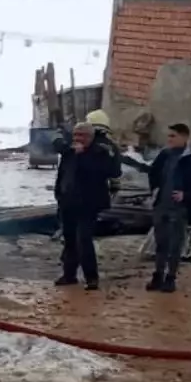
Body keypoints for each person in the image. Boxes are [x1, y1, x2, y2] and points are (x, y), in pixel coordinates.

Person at [147, 122, 191, 293]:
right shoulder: (165, 155)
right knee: (160, 243)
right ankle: (157, 276)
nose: (169, 139)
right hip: (161, 206)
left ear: (184, 137)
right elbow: (153, 173)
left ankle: (170, 278)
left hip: (179, 209)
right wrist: (154, 189)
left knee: (175, 245)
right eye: (169, 136)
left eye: (173, 136)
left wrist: (187, 195)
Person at [54, 120, 120, 290]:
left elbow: (113, 170)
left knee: (83, 240)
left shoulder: (100, 151)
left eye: (82, 135)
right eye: (76, 134)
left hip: (88, 203)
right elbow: (57, 149)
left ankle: (91, 277)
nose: (78, 138)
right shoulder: (70, 150)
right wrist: (59, 194)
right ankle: (69, 275)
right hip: (67, 202)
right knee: (69, 240)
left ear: (91, 137)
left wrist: (83, 155)